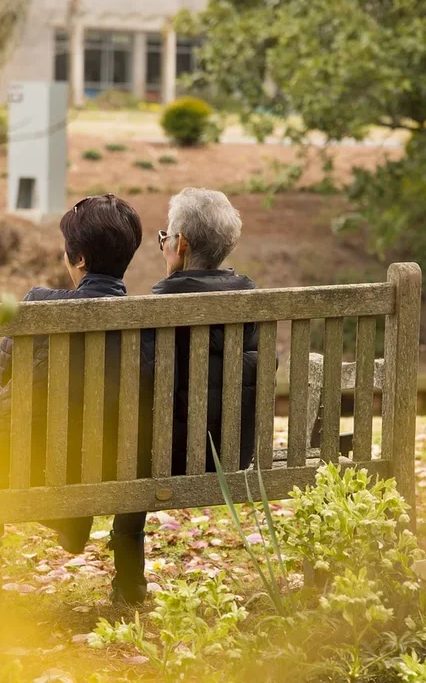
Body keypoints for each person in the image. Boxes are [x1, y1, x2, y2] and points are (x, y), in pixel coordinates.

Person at [0, 194, 143, 601]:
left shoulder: (42, 304)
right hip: (116, 464)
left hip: (34, 462)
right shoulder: (147, 321)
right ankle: (120, 573)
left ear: (78, 260)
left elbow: (5, 370)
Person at [118, 188, 263, 605]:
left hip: (166, 460)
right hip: (235, 454)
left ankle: (129, 585)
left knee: (131, 451)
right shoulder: (251, 301)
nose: (163, 244)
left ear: (180, 245)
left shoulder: (157, 307)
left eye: (165, 237)